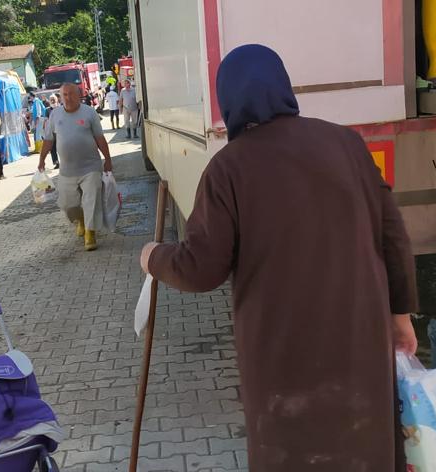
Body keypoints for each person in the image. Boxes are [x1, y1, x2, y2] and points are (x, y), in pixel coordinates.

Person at [139, 45, 419, 472]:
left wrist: (153, 257)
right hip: (360, 346)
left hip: (282, 364)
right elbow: (393, 236)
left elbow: (199, 267)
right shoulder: (346, 143)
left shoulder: (229, 168)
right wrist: (401, 316)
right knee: (366, 448)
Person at [38, 83, 113, 251]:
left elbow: (100, 138)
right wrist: (42, 159)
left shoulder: (89, 112)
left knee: (91, 200)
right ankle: (80, 220)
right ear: (60, 97)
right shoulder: (55, 115)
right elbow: (48, 140)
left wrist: (107, 159)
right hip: (67, 171)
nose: (68, 98)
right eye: (64, 95)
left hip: (91, 167)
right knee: (67, 204)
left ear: (79, 95)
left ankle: (90, 231)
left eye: (71, 94)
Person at [45, 95, 60, 169]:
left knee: (61, 147)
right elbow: (46, 120)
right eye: (51, 99)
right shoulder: (47, 110)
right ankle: (56, 162)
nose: (52, 101)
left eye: (54, 99)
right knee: (52, 147)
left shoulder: (61, 108)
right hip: (52, 131)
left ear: (57, 100)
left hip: (60, 131)